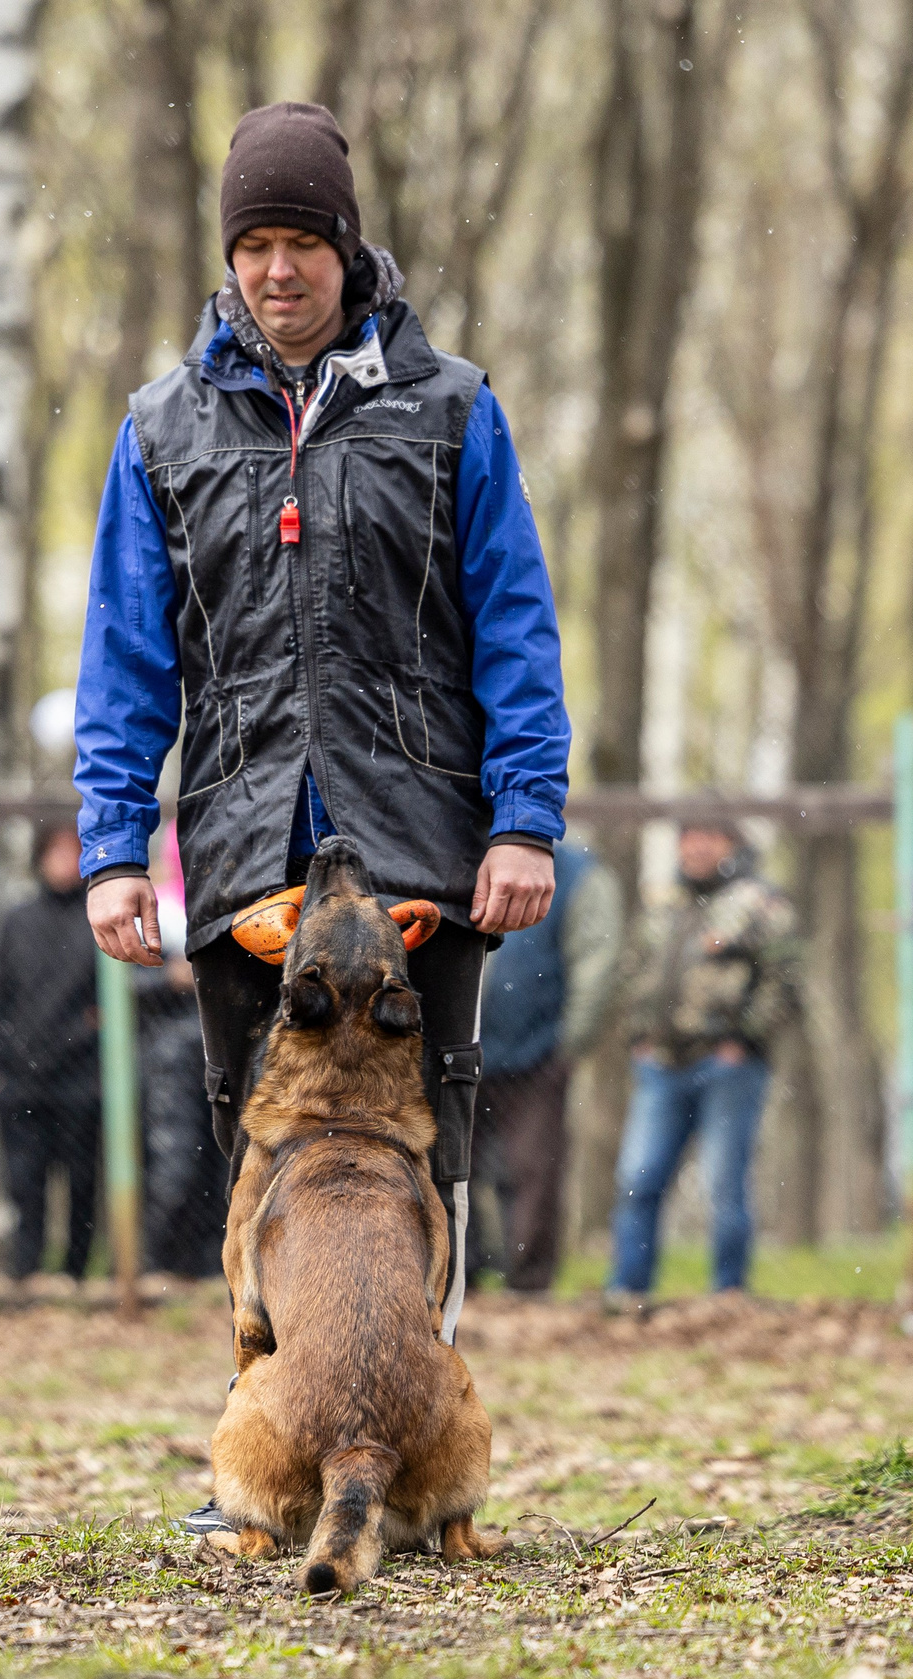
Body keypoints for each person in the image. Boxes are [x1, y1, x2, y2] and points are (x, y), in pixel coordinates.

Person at [75, 101, 571, 1533]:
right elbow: (125, 653)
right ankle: (268, 1470)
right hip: (238, 856)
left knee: (431, 1168)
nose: (277, 271)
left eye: (300, 243)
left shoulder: (454, 407)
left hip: (427, 848)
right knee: (261, 1170)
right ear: (228, 261)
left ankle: (417, 1456)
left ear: (347, 252)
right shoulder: (161, 428)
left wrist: (523, 816)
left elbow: (515, 629)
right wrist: (118, 846)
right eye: (254, 246)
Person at [607, 820, 797, 1303]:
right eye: (688, 837)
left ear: (730, 845)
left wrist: (744, 1040)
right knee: (638, 1180)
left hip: (726, 1066)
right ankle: (628, 1291)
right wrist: (639, 1036)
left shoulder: (759, 903)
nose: (696, 847)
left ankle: (727, 1295)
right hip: (660, 1064)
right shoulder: (662, 902)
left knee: (724, 1185)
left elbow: (785, 978)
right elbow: (633, 971)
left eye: (709, 837)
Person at [471, 839, 623, 1292]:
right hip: (458, 1050)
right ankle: (462, 1275)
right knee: (452, 1169)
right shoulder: (457, 853)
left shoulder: (578, 874)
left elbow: (597, 962)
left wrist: (569, 1044)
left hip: (536, 1054)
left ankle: (529, 1283)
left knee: (533, 1169)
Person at [0, 820, 104, 1283]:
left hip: (81, 1080)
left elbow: (104, 1010)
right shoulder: (16, 922)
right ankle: (26, 1272)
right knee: (25, 1184)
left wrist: (74, 1038)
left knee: (80, 1182)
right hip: (22, 1080)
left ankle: (75, 1274)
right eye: (55, 851)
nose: (62, 861)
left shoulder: (97, 921)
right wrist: (9, 1058)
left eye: (71, 851)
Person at [138, 827, 226, 1278]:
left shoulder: (227, 906)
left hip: (222, 1053)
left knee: (222, 1162)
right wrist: (170, 980)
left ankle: (215, 1264)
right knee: (175, 1165)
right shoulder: (155, 914)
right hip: (170, 1059)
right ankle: (162, 1265)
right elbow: (126, 987)